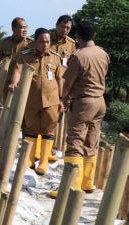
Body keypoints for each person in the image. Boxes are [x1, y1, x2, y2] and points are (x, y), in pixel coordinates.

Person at [50, 21, 110, 198]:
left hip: (84, 102)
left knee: (75, 142)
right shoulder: (103, 53)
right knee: (92, 141)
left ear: (77, 36)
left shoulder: (78, 56)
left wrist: (63, 98)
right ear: (94, 35)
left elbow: (67, 83)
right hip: (100, 101)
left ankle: (71, 185)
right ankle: (87, 182)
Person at [9, 28, 62, 176]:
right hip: (31, 99)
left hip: (51, 100)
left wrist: (63, 98)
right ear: (35, 42)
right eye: (42, 41)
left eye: (47, 41)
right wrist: (14, 83)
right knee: (31, 128)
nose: (45, 44)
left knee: (49, 129)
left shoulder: (56, 57)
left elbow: (59, 79)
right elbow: (17, 71)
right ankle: (30, 159)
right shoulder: (25, 56)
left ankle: (44, 162)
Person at [47, 14, 77, 163]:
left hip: (62, 85)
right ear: (56, 25)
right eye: (63, 27)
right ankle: (39, 145)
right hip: (46, 83)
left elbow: (72, 65)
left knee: (57, 116)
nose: (65, 30)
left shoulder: (71, 44)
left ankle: (51, 147)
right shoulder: (45, 39)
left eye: (68, 28)